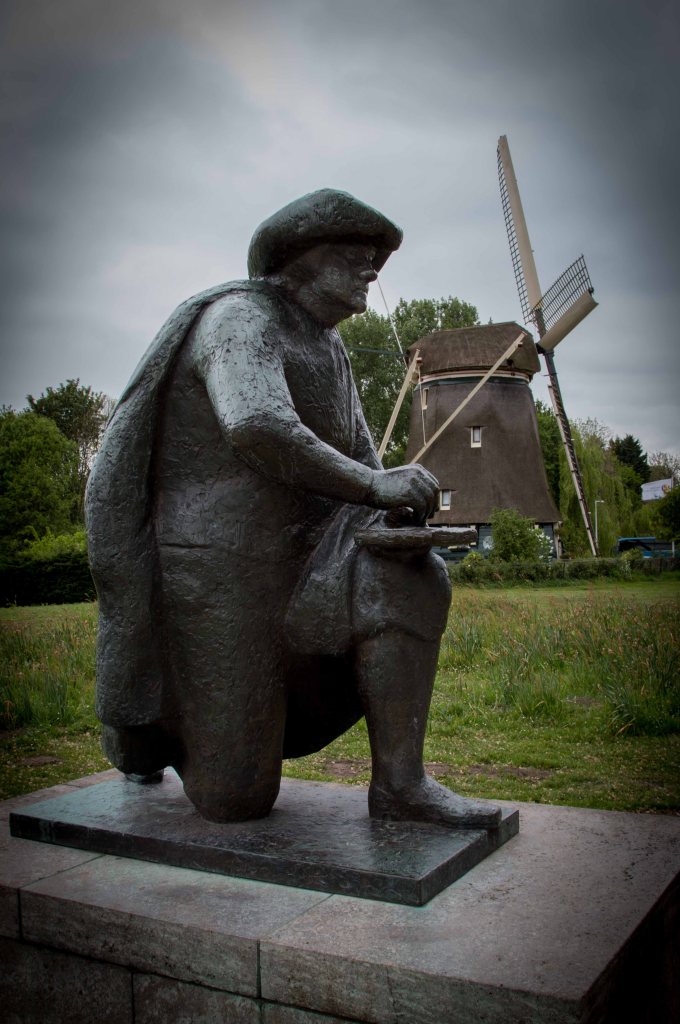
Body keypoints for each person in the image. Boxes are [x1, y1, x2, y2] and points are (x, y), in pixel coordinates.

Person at [86, 189, 500, 829]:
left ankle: (400, 784)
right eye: (358, 256)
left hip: (309, 557)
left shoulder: (330, 348)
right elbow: (257, 424)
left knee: (408, 572)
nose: (372, 272)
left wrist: (395, 503)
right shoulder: (240, 318)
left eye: (377, 261)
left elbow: (362, 456)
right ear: (303, 256)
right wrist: (373, 486)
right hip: (221, 572)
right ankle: (145, 733)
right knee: (235, 801)